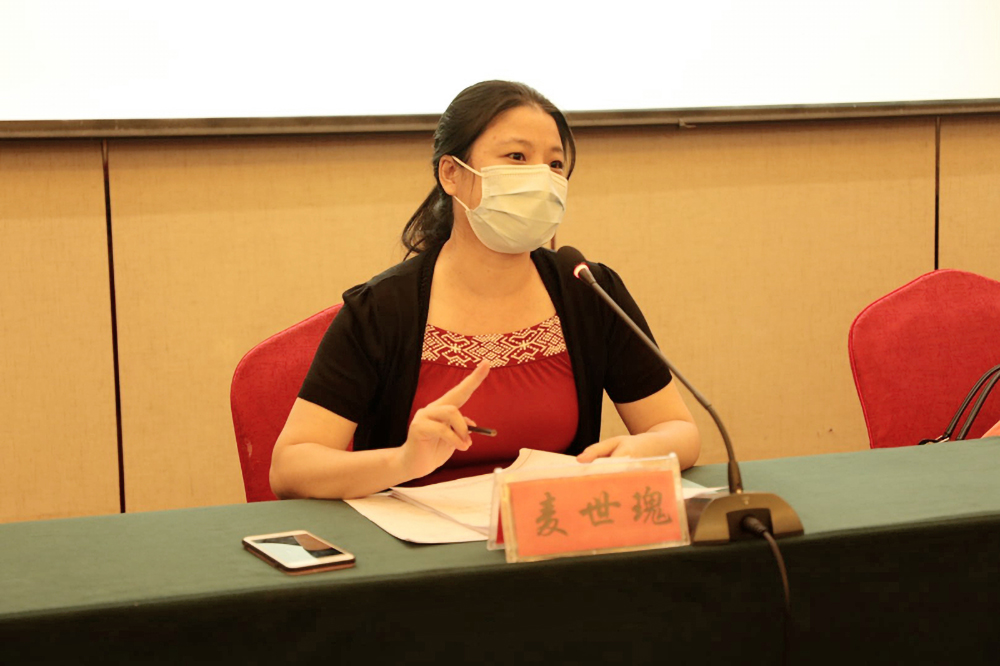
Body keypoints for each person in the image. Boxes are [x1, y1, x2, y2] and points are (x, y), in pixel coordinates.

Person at [270, 80, 700, 500]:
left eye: (554, 164)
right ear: (452, 174)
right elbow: (291, 467)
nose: (541, 177)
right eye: (517, 157)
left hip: (547, 532)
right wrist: (402, 461)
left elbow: (679, 431)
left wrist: (638, 452)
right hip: (412, 542)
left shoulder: (586, 288)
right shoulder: (382, 309)